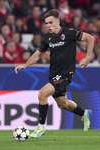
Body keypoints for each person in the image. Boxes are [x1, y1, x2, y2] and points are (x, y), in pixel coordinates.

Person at [15, 9, 94, 138]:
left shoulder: (69, 33)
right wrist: (25, 65)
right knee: (62, 104)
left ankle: (41, 127)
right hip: (54, 74)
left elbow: (90, 38)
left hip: (65, 74)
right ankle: (84, 113)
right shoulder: (48, 38)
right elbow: (37, 55)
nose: (48, 26)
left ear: (58, 22)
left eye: (51, 23)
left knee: (42, 94)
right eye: (46, 23)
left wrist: (88, 57)